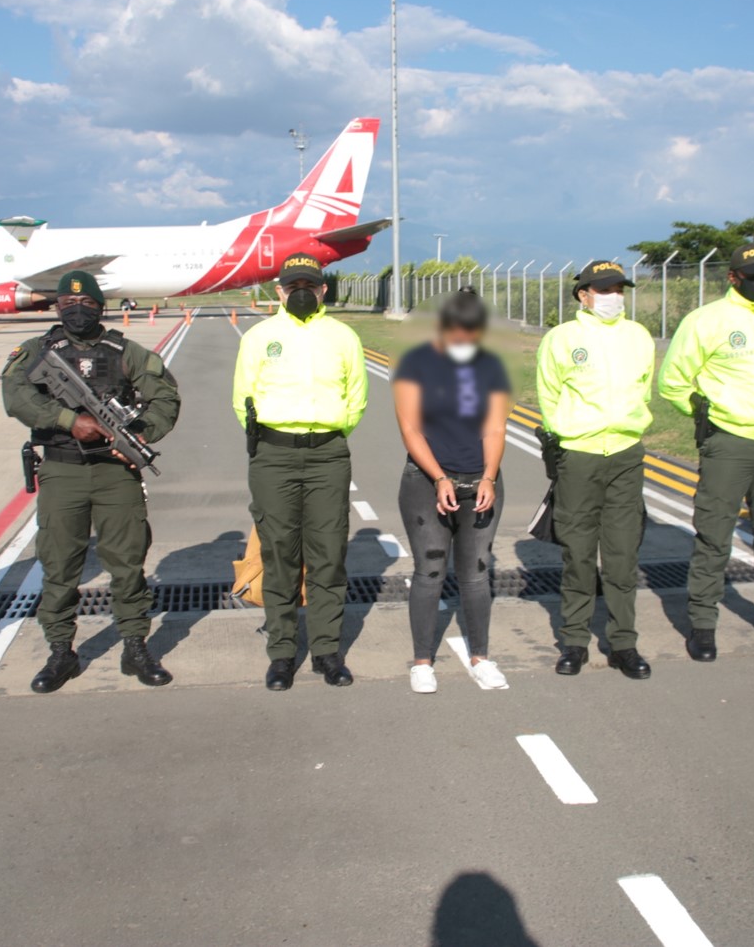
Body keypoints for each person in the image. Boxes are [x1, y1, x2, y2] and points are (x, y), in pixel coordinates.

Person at [2, 271, 181, 692]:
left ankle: (135, 646)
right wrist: (68, 420)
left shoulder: (124, 351)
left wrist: (141, 434)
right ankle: (61, 651)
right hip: (62, 470)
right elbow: (15, 395)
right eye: (67, 304)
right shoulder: (35, 352)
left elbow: (165, 397)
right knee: (59, 565)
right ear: (57, 307)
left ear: (100, 308)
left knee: (127, 561)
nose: (76, 310)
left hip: (115, 472)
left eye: (85, 304)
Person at [658, 243, 754, 661]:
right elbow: (672, 381)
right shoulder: (706, 321)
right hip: (728, 442)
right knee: (714, 538)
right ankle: (703, 625)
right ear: (733, 278)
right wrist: (704, 416)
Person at [232, 253, 367, 691]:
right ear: (280, 291)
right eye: (293, 286)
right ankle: (282, 653)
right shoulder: (259, 337)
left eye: (310, 284)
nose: (302, 292)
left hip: (327, 453)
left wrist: (325, 432)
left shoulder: (343, 336)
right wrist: (278, 437)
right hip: (274, 455)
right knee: (280, 554)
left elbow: (356, 399)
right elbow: (243, 399)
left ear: (323, 289)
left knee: (328, 555)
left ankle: (327, 651)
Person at [535, 260, 655, 679]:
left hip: (625, 454)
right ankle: (574, 641)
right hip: (579, 456)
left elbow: (643, 388)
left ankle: (624, 643)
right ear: (583, 295)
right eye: (604, 289)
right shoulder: (562, 338)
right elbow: (549, 396)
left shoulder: (638, 336)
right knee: (579, 555)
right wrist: (568, 439)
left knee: (622, 556)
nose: (613, 297)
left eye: (619, 289)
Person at [392, 288, 511, 693]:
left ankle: (482, 657)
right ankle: (422, 662)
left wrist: (489, 477)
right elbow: (410, 429)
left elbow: (495, 427)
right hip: (426, 483)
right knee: (429, 572)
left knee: (476, 576)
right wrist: (440, 477)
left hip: (480, 481)